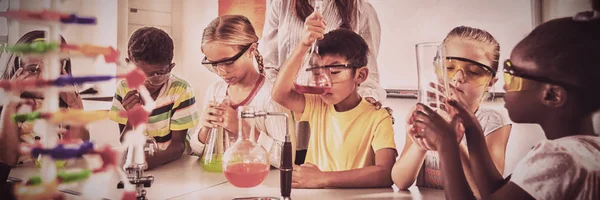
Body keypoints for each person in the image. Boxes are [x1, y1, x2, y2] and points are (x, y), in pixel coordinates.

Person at [409, 10, 600, 199]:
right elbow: (494, 192)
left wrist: (446, 144)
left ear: (552, 95)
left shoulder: (560, 160)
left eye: (512, 75)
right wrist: (472, 128)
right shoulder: (586, 150)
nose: (504, 85)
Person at [272, 11, 396, 188]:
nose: (324, 81)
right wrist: (304, 44)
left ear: (360, 75)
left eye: (335, 72)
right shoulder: (317, 104)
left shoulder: (378, 117)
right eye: (317, 73)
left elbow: (386, 173)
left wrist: (322, 178)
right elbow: (280, 94)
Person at [392, 26, 511, 196]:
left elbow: (486, 193)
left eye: (474, 72)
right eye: (449, 67)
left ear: (491, 82)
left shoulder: (493, 121)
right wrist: (420, 145)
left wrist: (451, 141)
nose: (458, 78)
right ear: (436, 69)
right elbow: (401, 181)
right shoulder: (424, 115)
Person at [188, 15, 295, 167]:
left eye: (228, 62)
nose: (221, 71)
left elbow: (286, 159)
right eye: (213, 64)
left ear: (251, 50)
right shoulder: (215, 91)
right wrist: (205, 129)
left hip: (258, 184)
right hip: (217, 180)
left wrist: (242, 127)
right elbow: (197, 150)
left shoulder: (271, 96)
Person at [1, 30, 86, 199]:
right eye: (32, 70)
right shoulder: (8, 104)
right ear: (15, 69)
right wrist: (11, 104)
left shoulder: (62, 104)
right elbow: (7, 158)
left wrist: (76, 105)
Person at [108, 27, 199, 170]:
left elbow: (178, 145)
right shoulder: (123, 88)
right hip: (138, 165)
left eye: (157, 74)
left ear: (170, 68)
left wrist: (151, 161)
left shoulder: (181, 90)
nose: (146, 82)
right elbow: (125, 141)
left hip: (175, 166)